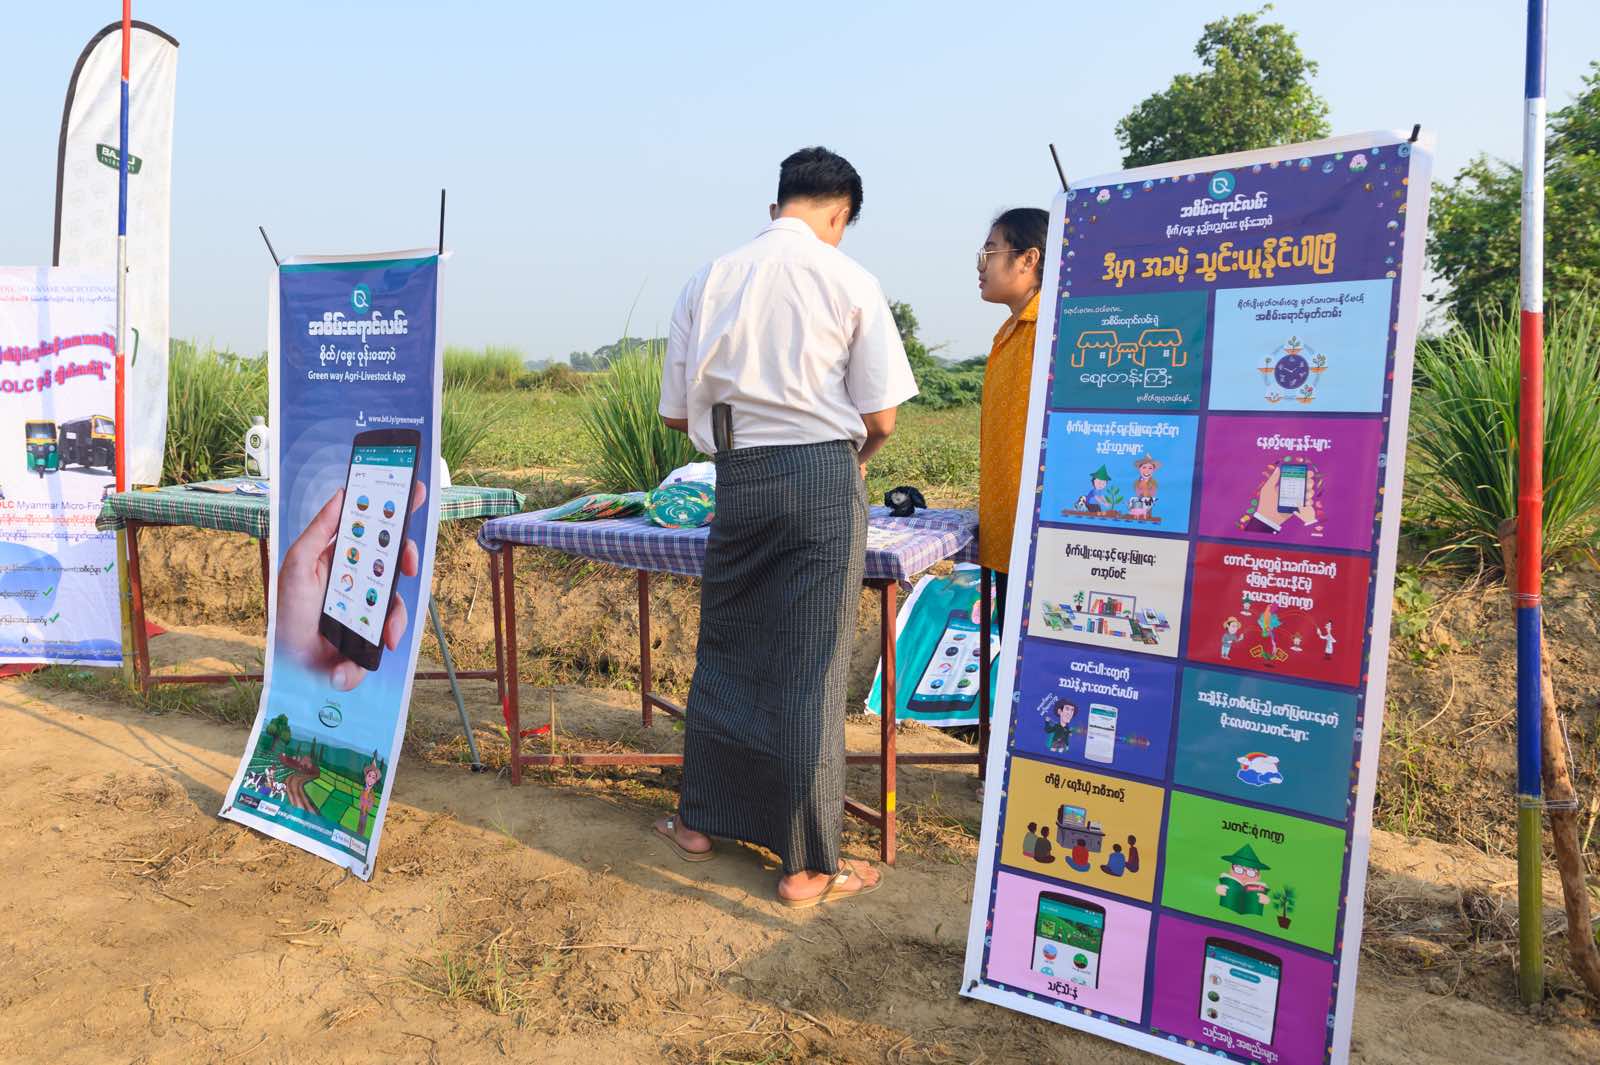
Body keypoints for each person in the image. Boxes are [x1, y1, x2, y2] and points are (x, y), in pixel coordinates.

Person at [652, 147, 918, 907]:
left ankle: (701, 823)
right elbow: (883, 415)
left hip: (738, 478)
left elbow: (675, 413)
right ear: (839, 213)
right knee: (812, 661)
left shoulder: (710, 277)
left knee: (730, 645)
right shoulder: (849, 277)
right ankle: (807, 865)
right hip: (822, 478)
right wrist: (856, 458)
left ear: (779, 205)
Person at [976, 207, 1048, 629]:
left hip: (1041, 539)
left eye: (991, 251)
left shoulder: (1054, 328)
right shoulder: (1008, 332)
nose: (982, 266)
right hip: (1006, 535)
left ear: (1028, 259)